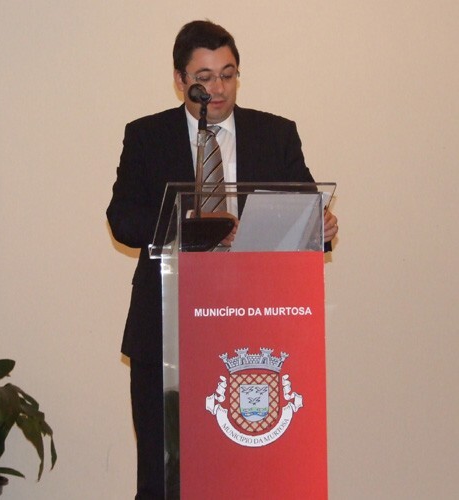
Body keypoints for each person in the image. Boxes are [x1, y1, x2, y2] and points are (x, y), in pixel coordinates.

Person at [107, 20, 338, 499]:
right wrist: (187, 224)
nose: (218, 88)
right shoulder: (146, 136)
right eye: (205, 77)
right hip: (166, 330)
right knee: (163, 477)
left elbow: (301, 210)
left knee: (252, 475)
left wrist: (320, 227)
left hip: (254, 331)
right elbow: (123, 218)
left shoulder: (276, 134)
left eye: (228, 75)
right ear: (179, 79)